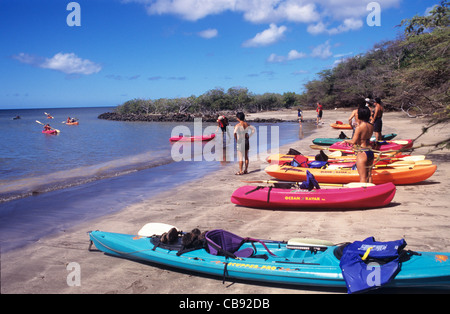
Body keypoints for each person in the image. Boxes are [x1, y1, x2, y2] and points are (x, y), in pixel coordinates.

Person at [343, 106, 374, 183]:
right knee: (369, 175)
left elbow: (353, 141)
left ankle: (364, 193)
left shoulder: (359, 127)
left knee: (362, 177)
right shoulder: (371, 126)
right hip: (370, 151)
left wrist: (345, 141)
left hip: (362, 152)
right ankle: (371, 192)